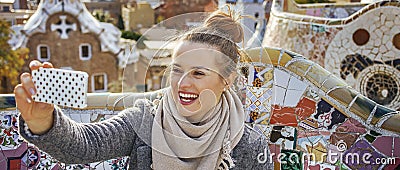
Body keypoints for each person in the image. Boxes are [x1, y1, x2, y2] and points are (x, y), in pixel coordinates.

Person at [14, 9, 273, 170]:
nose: (183, 83)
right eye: (177, 69)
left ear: (226, 79)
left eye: (199, 73)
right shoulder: (145, 120)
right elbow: (85, 145)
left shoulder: (249, 145)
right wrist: (44, 122)